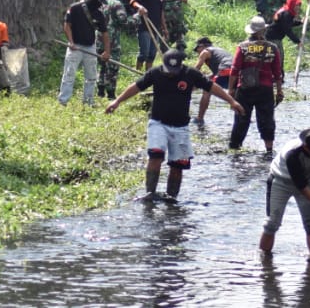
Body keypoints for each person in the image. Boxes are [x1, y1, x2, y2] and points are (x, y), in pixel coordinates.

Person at [106, 49, 243, 200]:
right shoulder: (155, 73)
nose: (171, 73)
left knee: (178, 165)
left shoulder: (191, 74)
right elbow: (136, 87)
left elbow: (211, 87)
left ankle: (172, 198)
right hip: (158, 123)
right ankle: (150, 193)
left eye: (174, 70)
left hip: (181, 127)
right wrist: (117, 101)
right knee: (156, 156)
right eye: (168, 70)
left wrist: (232, 101)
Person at [262, 128, 310, 255]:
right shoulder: (293, 154)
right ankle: (264, 259)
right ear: (306, 148)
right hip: (280, 181)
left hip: (309, 179)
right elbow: (302, 188)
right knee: (273, 222)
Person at [228, 16, 284, 153]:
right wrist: (279, 91)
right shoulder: (272, 48)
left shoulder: (243, 47)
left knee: (241, 118)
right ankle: (269, 149)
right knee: (267, 119)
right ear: (264, 30)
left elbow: (235, 70)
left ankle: (235, 147)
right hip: (266, 89)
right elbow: (277, 73)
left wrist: (230, 91)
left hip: (245, 88)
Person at [59, 0, 111, 107]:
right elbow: (67, 26)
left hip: (90, 47)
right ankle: (63, 101)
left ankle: (88, 102)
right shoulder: (75, 8)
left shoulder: (99, 14)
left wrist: (107, 52)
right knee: (69, 74)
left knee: (91, 76)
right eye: (99, 1)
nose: (100, 4)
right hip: (75, 46)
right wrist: (71, 42)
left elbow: (105, 34)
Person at [99, 0, 134, 99]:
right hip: (112, 40)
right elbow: (124, 21)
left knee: (102, 66)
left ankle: (100, 91)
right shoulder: (117, 4)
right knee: (112, 68)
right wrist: (137, 17)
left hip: (99, 39)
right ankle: (111, 94)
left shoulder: (103, 2)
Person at [130, 0, 167, 70]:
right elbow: (133, 2)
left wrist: (164, 28)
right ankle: (137, 73)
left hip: (156, 27)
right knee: (144, 53)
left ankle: (148, 75)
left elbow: (161, 12)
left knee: (152, 55)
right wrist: (140, 7)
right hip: (144, 26)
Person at [192, 36, 234, 124]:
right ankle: (245, 116)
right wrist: (205, 78)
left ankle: (200, 118)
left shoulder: (205, 51)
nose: (197, 52)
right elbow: (216, 74)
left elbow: (196, 69)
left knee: (207, 89)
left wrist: (187, 77)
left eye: (197, 49)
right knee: (236, 94)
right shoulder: (219, 51)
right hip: (234, 73)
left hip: (224, 70)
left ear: (202, 46)